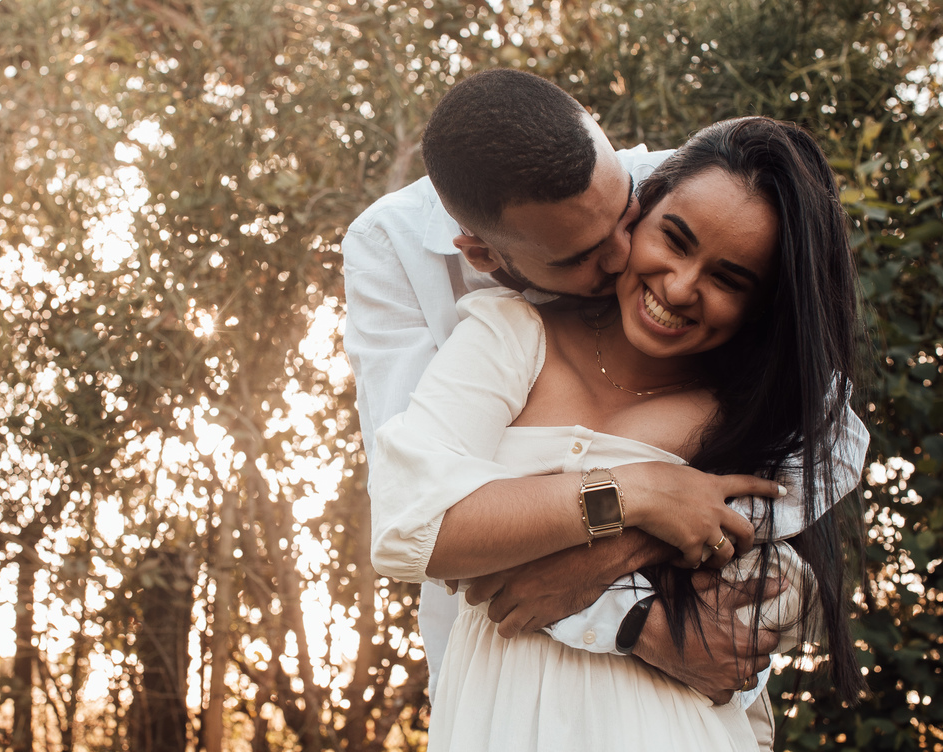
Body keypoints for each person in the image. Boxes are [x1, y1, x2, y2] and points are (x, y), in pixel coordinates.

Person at [341, 69, 868, 746]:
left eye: (629, 220)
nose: (629, 259)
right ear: (490, 259)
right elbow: (416, 517)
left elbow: (821, 470)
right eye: (585, 255)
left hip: (674, 715)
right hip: (501, 693)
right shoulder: (421, 271)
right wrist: (636, 511)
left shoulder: (674, 186)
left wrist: (623, 542)